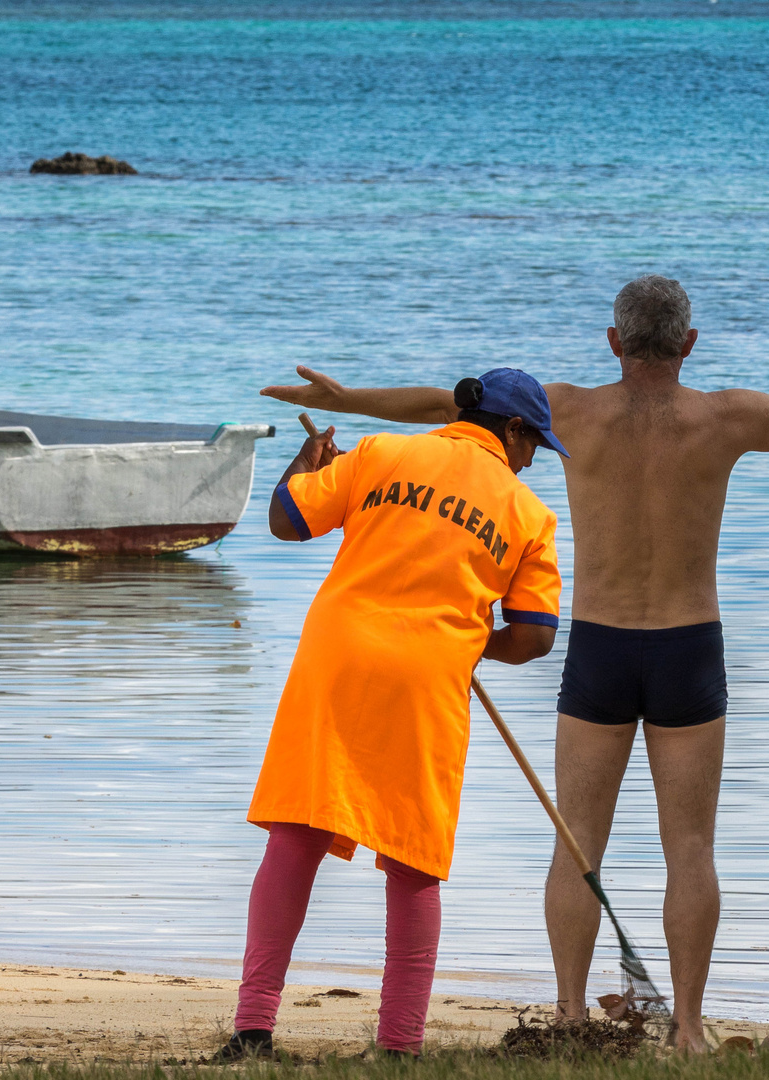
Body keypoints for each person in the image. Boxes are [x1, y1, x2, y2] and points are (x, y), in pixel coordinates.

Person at [259, 275, 769, 1052]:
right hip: (686, 647)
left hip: (598, 646)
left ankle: (567, 1015)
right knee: (690, 846)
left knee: (579, 840)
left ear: (613, 342)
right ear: (689, 343)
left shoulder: (567, 410)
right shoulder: (726, 417)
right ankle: (689, 1030)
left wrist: (349, 399)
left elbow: (447, 408)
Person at [219, 368, 568, 1061]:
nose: (533, 462)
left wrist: (307, 460)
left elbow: (287, 520)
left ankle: (252, 1031)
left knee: (296, 833)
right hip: (428, 678)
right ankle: (398, 1046)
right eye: (535, 446)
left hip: (336, 656)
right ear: (516, 430)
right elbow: (534, 636)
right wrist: (474, 646)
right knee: (412, 860)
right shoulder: (529, 515)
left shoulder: (380, 454)